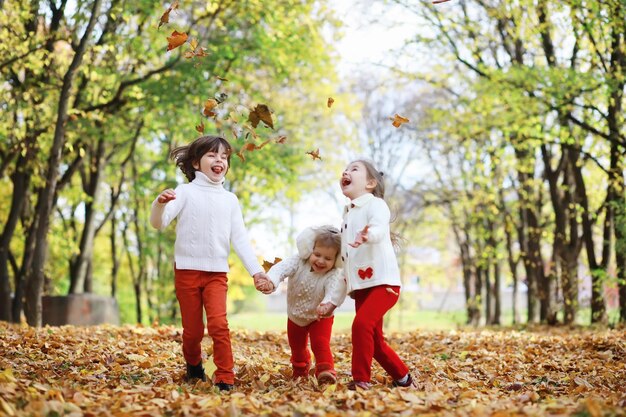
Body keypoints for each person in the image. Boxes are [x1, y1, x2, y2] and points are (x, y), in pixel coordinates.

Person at [150, 135, 270, 391]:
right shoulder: (184, 192)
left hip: (216, 273)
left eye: (224, 157)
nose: (220, 160)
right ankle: (193, 365)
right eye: (212, 155)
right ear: (196, 162)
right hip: (187, 271)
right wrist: (159, 205)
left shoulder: (230, 200)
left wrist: (257, 272)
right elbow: (159, 224)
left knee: (219, 325)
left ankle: (225, 376)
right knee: (193, 332)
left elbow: (239, 239)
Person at [338, 159, 415, 390]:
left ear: (370, 183)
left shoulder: (376, 205)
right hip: (362, 285)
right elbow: (345, 262)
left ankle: (361, 380)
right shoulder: (347, 217)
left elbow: (379, 228)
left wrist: (368, 234)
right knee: (375, 341)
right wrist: (332, 301)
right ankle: (404, 380)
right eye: (345, 169)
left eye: (354, 169)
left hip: (384, 283)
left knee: (361, 325)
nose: (346, 172)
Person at [258, 226, 346, 384]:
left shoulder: (333, 274)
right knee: (297, 346)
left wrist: (327, 305)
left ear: (337, 260)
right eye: (317, 254)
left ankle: (325, 371)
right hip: (295, 315)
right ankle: (300, 371)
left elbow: (333, 291)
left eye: (327, 258)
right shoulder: (298, 260)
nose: (320, 261)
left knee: (320, 343)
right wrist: (271, 281)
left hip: (320, 316)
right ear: (309, 249)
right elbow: (281, 269)